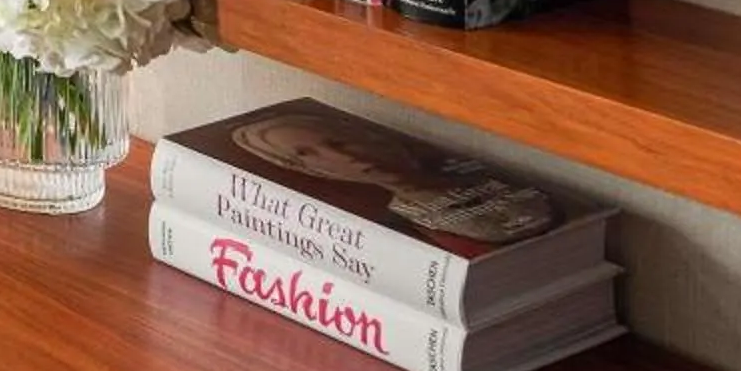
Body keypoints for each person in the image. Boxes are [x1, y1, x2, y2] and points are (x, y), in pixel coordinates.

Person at [230, 105, 557, 246]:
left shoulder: (498, 184)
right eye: (305, 156)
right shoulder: (397, 231)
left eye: (337, 141)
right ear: (308, 171)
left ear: (370, 134)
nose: (343, 156)